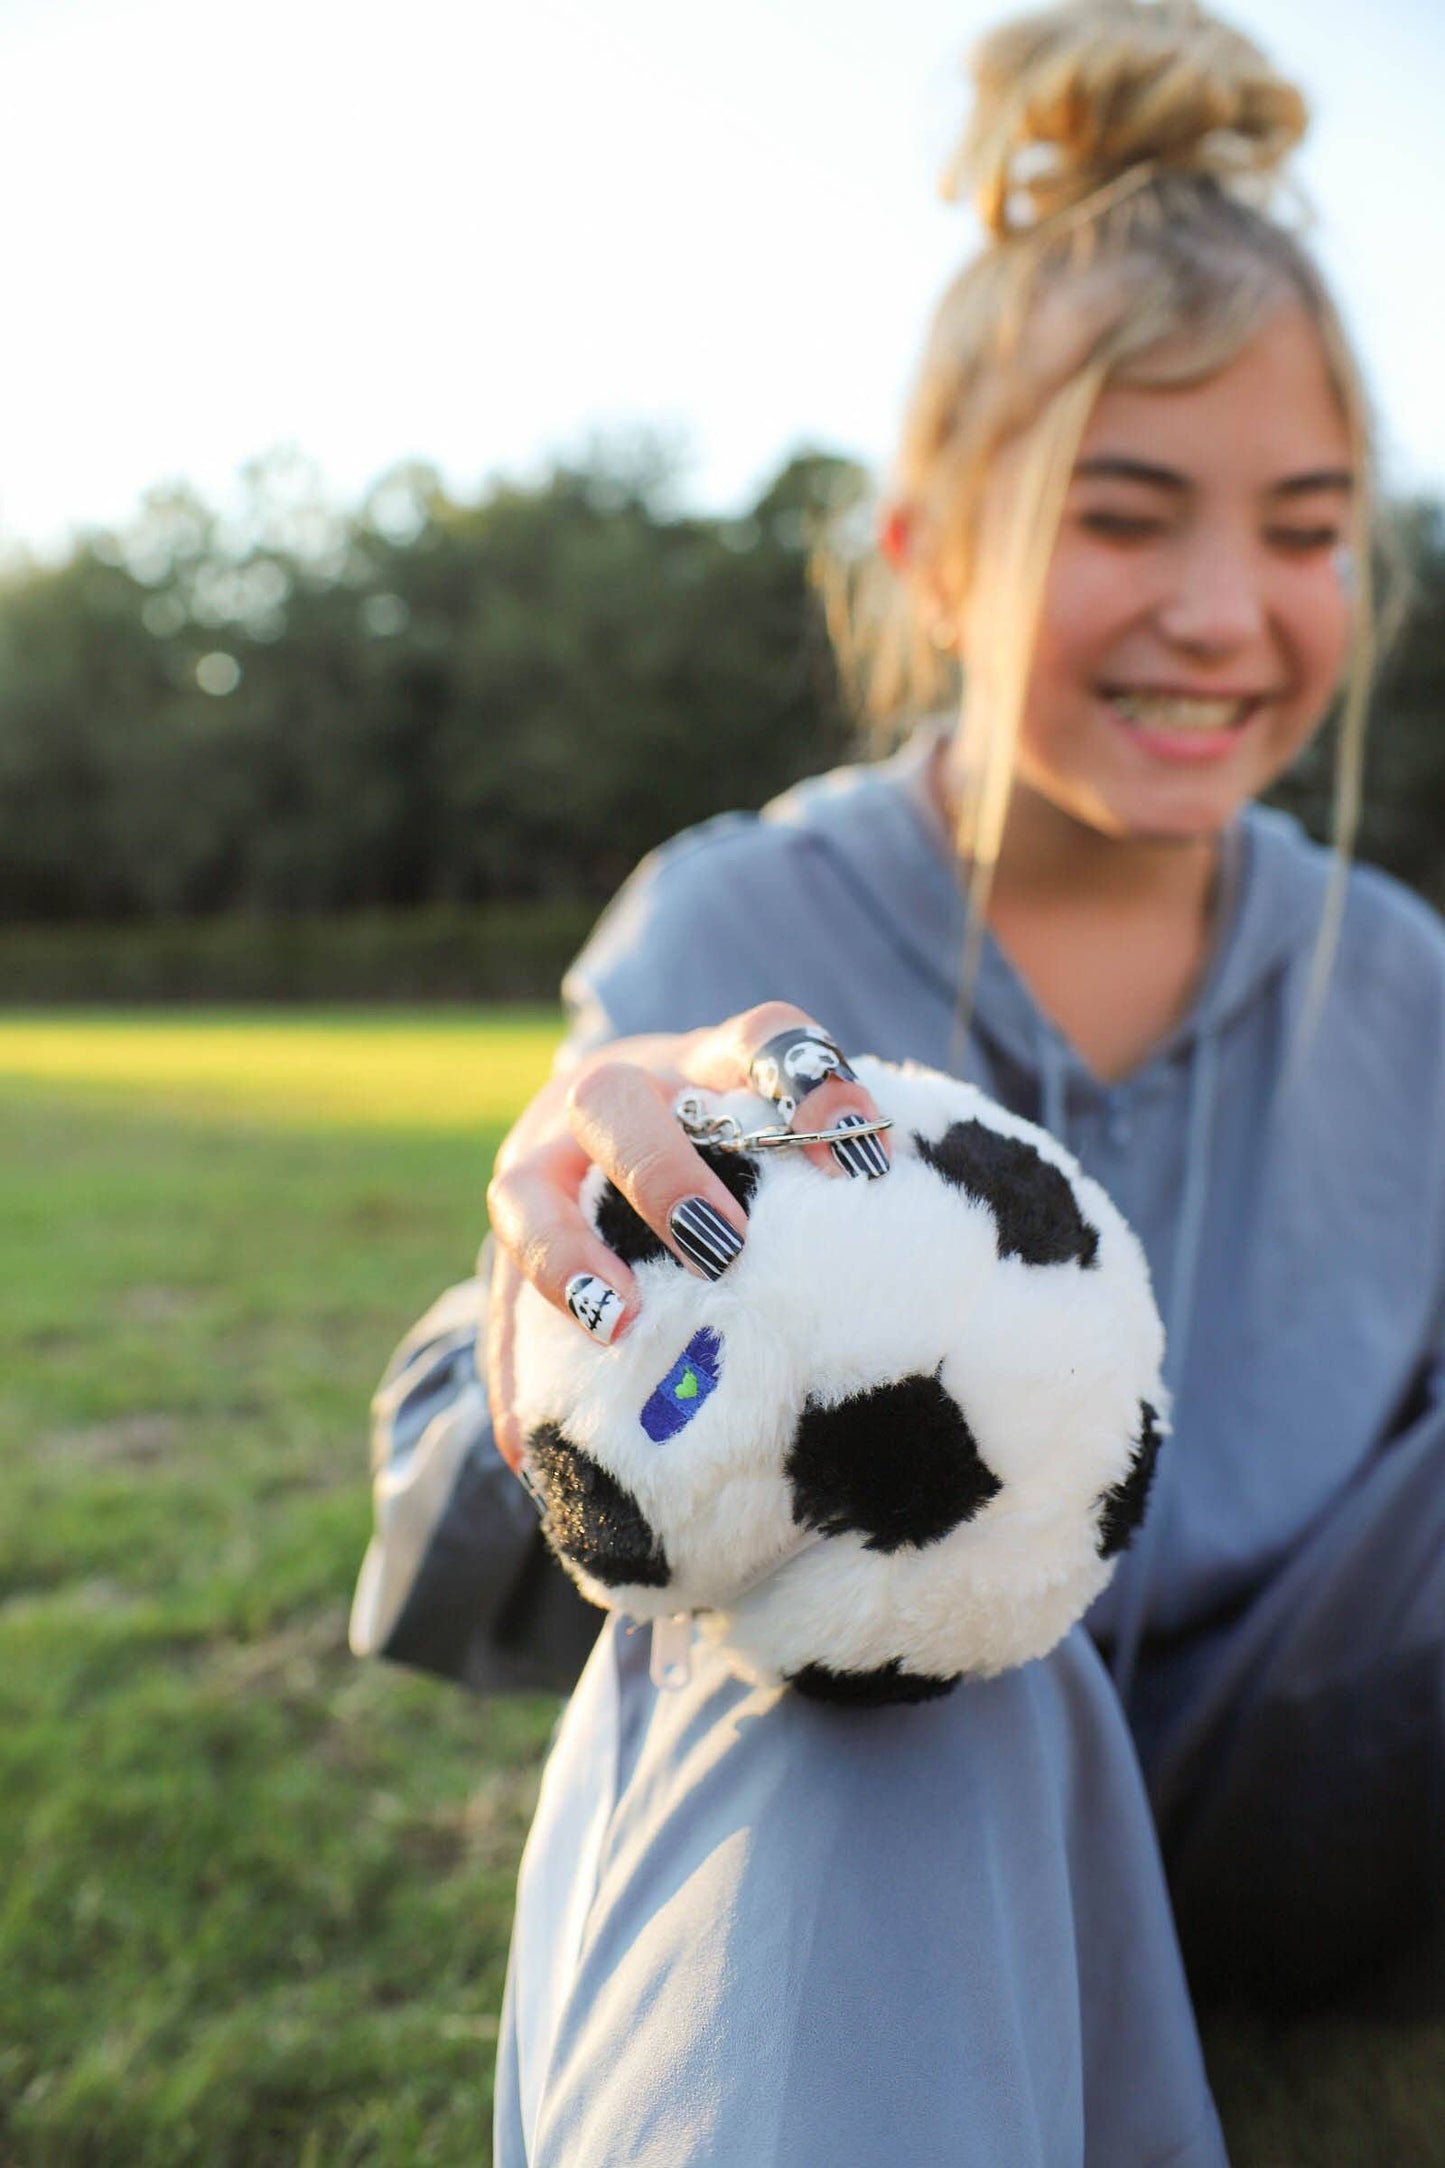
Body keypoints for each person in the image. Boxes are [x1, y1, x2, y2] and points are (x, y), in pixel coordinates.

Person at [350, 2, 1445, 2160]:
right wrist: (579, 1290)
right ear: (932, 552)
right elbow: (449, 1491)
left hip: (1301, 1793)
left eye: (1309, 528)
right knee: (877, 1614)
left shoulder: (1401, 982)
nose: (1228, 612)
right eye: (1128, 515)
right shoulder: (730, 935)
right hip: (888, 1778)